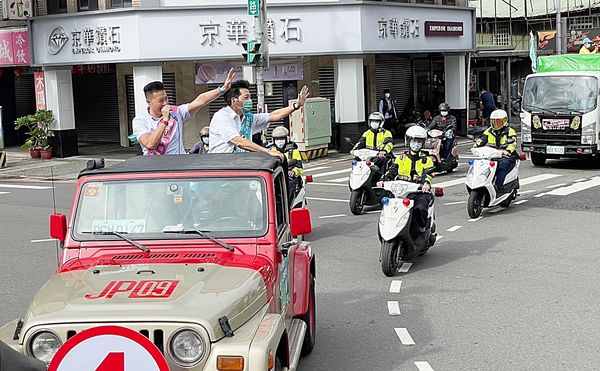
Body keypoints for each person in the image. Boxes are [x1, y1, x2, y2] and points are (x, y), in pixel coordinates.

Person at [133, 68, 235, 156]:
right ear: (148, 102)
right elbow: (150, 144)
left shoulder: (176, 112)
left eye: (166, 98)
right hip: (154, 167)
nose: (165, 103)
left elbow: (200, 101)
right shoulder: (140, 120)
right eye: (160, 101)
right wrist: (165, 120)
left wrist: (222, 89)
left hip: (178, 165)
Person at [209, 79, 310, 160]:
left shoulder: (248, 117)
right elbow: (239, 141)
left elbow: (273, 115)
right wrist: (267, 151)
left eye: (250, 97)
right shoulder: (222, 117)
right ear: (234, 101)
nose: (250, 100)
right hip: (220, 166)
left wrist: (296, 105)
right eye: (246, 97)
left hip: (240, 166)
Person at [377, 125, 434, 248]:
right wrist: (383, 180)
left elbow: (428, 174)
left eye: (419, 141)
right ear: (408, 141)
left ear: (423, 143)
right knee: (388, 207)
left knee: (420, 208)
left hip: (418, 192)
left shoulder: (426, 159)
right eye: (414, 141)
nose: (416, 144)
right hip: (400, 191)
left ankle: (422, 231)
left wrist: (426, 183)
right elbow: (392, 171)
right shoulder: (401, 158)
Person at [473, 109, 518, 194]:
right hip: (492, 155)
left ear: (504, 121)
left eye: (499, 122)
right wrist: (475, 148)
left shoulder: (509, 131)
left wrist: (508, 150)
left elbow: (513, 143)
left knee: (503, 165)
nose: (496, 124)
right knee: (481, 165)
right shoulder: (488, 131)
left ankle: (499, 187)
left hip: (506, 155)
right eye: (494, 121)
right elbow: (481, 140)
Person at [352, 112, 394, 177]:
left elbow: (389, 143)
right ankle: (355, 177)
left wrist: (384, 151)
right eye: (372, 121)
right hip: (368, 155)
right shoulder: (366, 133)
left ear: (381, 122)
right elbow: (360, 143)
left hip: (381, 155)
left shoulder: (386, 133)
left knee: (383, 160)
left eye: (376, 121)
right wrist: (354, 150)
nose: (374, 123)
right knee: (356, 160)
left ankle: (381, 177)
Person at [269, 126, 304, 205]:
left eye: (281, 138)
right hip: (275, 176)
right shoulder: (270, 151)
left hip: (289, 178)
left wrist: (293, 172)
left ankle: (287, 206)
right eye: (277, 139)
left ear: (286, 139)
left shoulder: (294, 151)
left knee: (290, 184)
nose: (279, 141)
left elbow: (300, 168)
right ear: (273, 140)